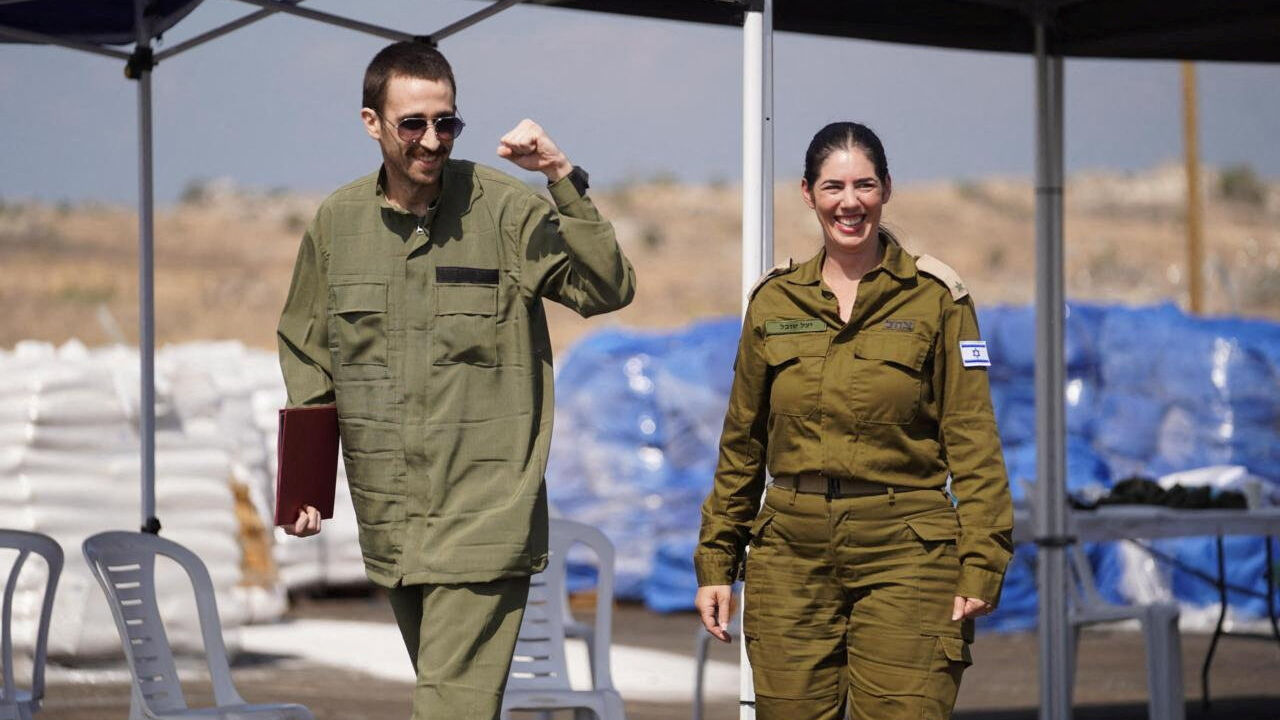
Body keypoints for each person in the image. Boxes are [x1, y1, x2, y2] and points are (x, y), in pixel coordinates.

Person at [276, 41, 635, 720]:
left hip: (485, 519)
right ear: (372, 123)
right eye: (413, 123)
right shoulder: (337, 225)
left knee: (447, 710)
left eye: (447, 122)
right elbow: (307, 347)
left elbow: (607, 287)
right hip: (392, 526)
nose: (432, 140)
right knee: (452, 702)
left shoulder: (502, 209)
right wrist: (305, 483)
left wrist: (559, 174)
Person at [694, 121, 1013, 720]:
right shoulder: (773, 300)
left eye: (864, 185)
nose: (849, 202)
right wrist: (717, 561)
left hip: (908, 550)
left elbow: (972, 438)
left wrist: (982, 558)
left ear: (887, 190)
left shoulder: (937, 298)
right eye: (833, 186)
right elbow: (742, 443)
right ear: (808, 193)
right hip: (789, 551)